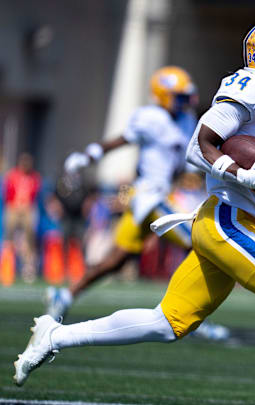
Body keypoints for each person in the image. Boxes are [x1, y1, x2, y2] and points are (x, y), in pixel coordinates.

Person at [14, 18, 255, 405]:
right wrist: (238, 172)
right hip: (227, 218)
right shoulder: (249, 89)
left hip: (240, 221)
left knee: (167, 322)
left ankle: (55, 334)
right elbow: (199, 146)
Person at [45, 66, 227, 339]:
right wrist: (88, 156)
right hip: (149, 195)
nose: (184, 100)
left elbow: (179, 164)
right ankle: (190, 315)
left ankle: (66, 295)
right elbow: (121, 141)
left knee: (116, 260)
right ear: (163, 95)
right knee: (201, 242)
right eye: (177, 96)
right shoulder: (150, 117)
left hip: (158, 196)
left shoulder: (187, 120)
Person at [3, 153, 43, 282]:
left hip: (28, 208)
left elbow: (36, 193)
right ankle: (6, 266)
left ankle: (28, 268)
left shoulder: (34, 177)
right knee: (8, 238)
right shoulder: (12, 175)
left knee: (29, 239)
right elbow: (7, 192)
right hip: (13, 207)